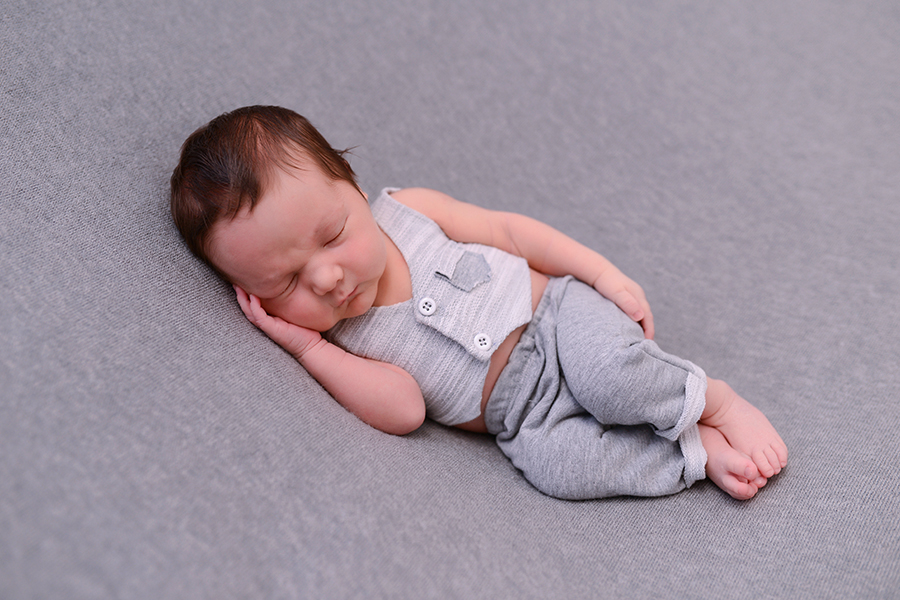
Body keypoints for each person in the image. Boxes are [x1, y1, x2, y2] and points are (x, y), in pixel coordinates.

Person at [170, 105, 787, 501]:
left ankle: (715, 401)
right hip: (522, 418)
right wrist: (308, 348)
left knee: (611, 378)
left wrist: (601, 273)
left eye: (332, 236)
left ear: (354, 189)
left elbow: (508, 232)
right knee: (559, 470)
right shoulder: (340, 343)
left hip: (555, 319)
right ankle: (693, 453)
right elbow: (405, 410)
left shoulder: (409, 211)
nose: (328, 279)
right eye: (286, 284)